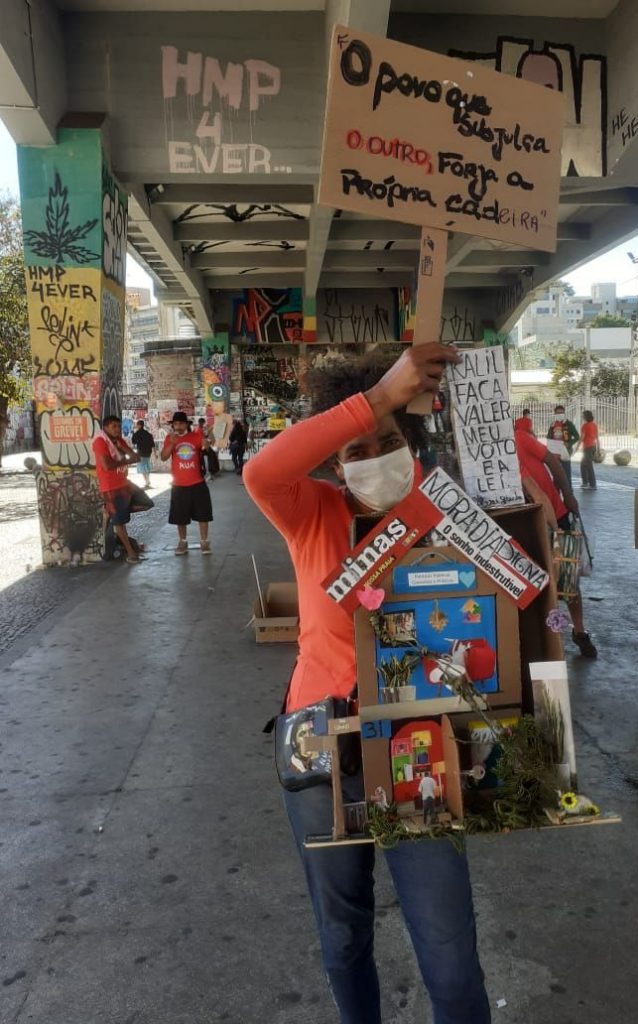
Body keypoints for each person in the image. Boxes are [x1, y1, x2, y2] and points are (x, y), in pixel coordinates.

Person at [244, 343, 491, 1024]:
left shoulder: (441, 514)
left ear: (409, 442)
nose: (372, 456)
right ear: (332, 458)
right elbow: (262, 471)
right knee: (344, 935)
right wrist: (377, 399)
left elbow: (498, 616)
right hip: (320, 755)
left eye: (386, 440)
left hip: (419, 751)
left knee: (448, 950)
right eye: (354, 447)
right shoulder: (310, 512)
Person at [514, 423, 598, 658]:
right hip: (525, 523)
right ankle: (548, 639)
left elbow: (552, 461)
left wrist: (568, 494)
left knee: (568, 578)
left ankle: (579, 630)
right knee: (536, 583)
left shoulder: (519, 437)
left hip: (557, 515)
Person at [92, 415, 150, 564]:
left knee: (146, 503)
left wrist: (123, 448)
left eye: (118, 426)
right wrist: (127, 460)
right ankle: (131, 553)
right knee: (119, 522)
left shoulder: (118, 441)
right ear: (105, 428)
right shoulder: (100, 441)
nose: (117, 429)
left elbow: (135, 457)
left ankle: (110, 514)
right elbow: (107, 465)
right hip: (111, 487)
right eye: (114, 427)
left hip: (124, 483)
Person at [162, 412, 213, 556]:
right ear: (173, 425)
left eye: (181, 423)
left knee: (203, 514)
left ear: (186, 424)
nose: (178, 426)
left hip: (197, 482)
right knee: (180, 516)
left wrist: (206, 444)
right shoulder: (169, 438)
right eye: (176, 424)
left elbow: (206, 449)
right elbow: (164, 457)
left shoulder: (196, 436)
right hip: (178, 484)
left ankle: (204, 542)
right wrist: (172, 443)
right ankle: (183, 542)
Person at [546, 404, 579, 484]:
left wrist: (569, 444)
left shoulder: (568, 424)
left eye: (561, 413)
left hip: (565, 451)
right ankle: (556, 494)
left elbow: (577, 436)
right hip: (554, 452)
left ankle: (569, 493)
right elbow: (549, 437)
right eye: (558, 413)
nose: (560, 414)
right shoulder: (553, 424)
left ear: (564, 413)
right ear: (555, 414)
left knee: (566, 474)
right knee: (556, 474)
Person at [575, 411, 599, 490]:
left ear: (586, 417)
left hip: (587, 447)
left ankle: (591, 484)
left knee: (588, 465)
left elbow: (582, 438)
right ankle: (586, 482)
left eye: (583, 415)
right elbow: (597, 438)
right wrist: (598, 449)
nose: (582, 417)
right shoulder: (594, 425)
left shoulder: (585, 426)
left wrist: (576, 447)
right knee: (584, 465)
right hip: (593, 446)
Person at [131, 419, 155, 489]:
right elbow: (152, 444)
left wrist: (133, 434)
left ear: (139, 425)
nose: (136, 426)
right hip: (148, 453)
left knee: (142, 468)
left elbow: (133, 442)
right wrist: (155, 454)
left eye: (137, 425)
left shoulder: (137, 434)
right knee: (146, 466)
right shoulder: (148, 434)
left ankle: (147, 482)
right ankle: (148, 481)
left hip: (141, 453)